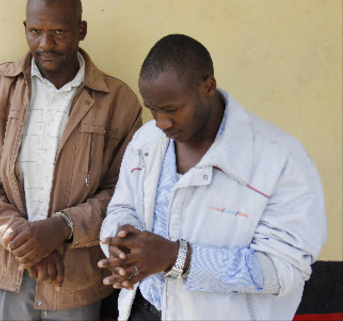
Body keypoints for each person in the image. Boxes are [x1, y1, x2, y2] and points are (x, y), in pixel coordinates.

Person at [98, 34, 327, 320]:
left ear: (208, 86)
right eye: (152, 109)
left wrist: (178, 258)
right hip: (142, 309)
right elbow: (123, 207)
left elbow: (283, 271)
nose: (161, 122)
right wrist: (122, 240)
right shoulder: (147, 140)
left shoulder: (281, 159)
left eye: (172, 109)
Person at [0, 0, 142, 320]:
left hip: (76, 277)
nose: (46, 44)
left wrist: (61, 227)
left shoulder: (119, 103)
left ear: (81, 30)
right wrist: (26, 242)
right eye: (36, 31)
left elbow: (126, 192)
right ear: (25, 29)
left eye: (59, 32)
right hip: (4, 270)